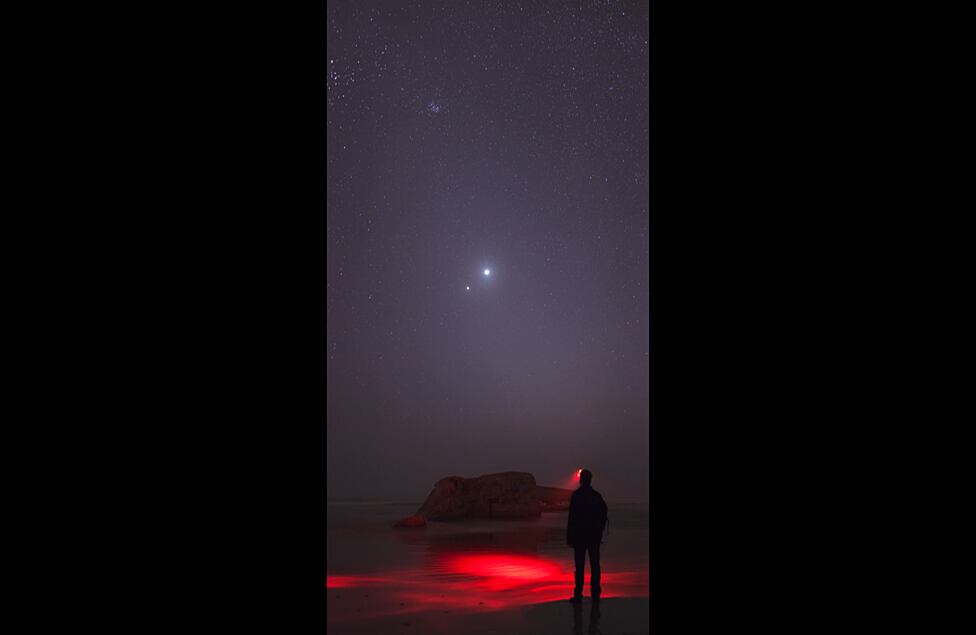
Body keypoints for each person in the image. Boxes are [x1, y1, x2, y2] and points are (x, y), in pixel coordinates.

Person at [566, 468, 608, 604]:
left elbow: (571, 518)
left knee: (580, 567)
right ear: (590, 479)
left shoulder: (577, 496)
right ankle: (596, 594)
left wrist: (569, 537)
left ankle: (578, 595)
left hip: (579, 537)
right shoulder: (597, 496)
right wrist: (599, 531)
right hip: (593, 537)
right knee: (595, 565)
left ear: (580, 479)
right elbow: (603, 515)